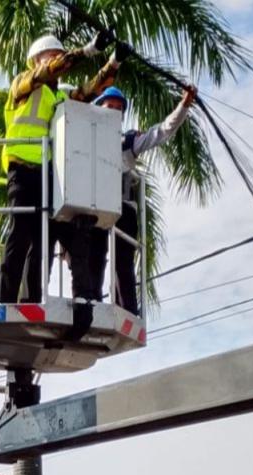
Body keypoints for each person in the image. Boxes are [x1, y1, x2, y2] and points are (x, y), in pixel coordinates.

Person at [0, 32, 120, 306]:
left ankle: (31, 300)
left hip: (44, 172)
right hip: (21, 167)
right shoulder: (24, 83)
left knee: (42, 242)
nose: (56, 59)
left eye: (57, 54)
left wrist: (113, 62)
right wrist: (88, 50)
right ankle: (5, 301)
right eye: (51, 54)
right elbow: (51, 69)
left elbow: (88, 92)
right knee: (20, 235)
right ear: (36, 60)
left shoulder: (55, 96)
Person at [87, 84, 196, 313]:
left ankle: (126, 308)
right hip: (95, 205)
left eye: (118, 109)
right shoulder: (86, 139)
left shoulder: (128, 142)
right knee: (94, 257)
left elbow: (162, 131)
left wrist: (183, 106)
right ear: (98, 109)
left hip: (122, 206)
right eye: (109, 106)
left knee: (123, 259)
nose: (114, 112)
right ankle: (91, 302)